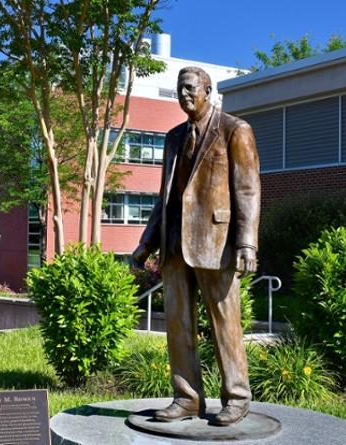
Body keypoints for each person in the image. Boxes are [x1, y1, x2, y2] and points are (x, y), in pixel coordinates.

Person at [132, 66, 260, 427]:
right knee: (177, 325)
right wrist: (146, 242)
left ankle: (237, 397)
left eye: (190, 88)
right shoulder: (173, 138)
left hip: (216, 243)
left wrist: (247, 243)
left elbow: (247, 190)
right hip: (174, 245)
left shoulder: (235, 130)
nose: (184, 94)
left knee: (225, 323)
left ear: (208, 89)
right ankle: (187, 398)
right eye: (179, 89)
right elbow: (165, 196)